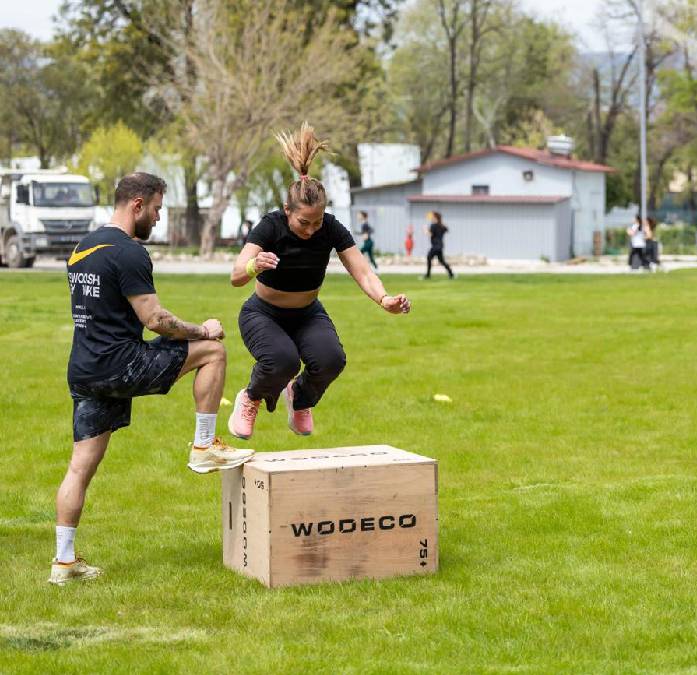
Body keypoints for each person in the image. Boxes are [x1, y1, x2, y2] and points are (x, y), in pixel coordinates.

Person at [54, 172, 253, 586]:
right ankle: (203, 445)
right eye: (158, 208)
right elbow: (156, 320)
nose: (160, 218)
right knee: (213, 352)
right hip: (119, 363)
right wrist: (203, 330)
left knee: (79, 468)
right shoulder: (129, 252)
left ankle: (64, 563)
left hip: (85, 369)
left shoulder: (82, 247)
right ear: (138, 205)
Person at [227, 123, 411, 440]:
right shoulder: (271, 226)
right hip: (263, 313)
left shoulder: (331, 227)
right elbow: (236, 275)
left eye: (317, 221)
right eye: (303, 221)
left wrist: (384, 300)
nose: (312, 229)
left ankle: (300, 399)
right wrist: (256, 264)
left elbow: (363, 271)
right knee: (282, 360)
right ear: (287, 210)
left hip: (307, 313)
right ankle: (250, 398)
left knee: (331, 360)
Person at [423, 211, 454, 279]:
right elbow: (446, 229)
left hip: (435, 246)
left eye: (433, 217)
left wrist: (425, 230)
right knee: (441, 261)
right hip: (440, 246)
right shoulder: (441, 225)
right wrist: (441, 223)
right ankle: (451, 274)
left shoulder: (433, 225)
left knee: (429, 257)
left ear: (435, 217)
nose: (431, 218)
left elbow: (430, 234)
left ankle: (428, 275)